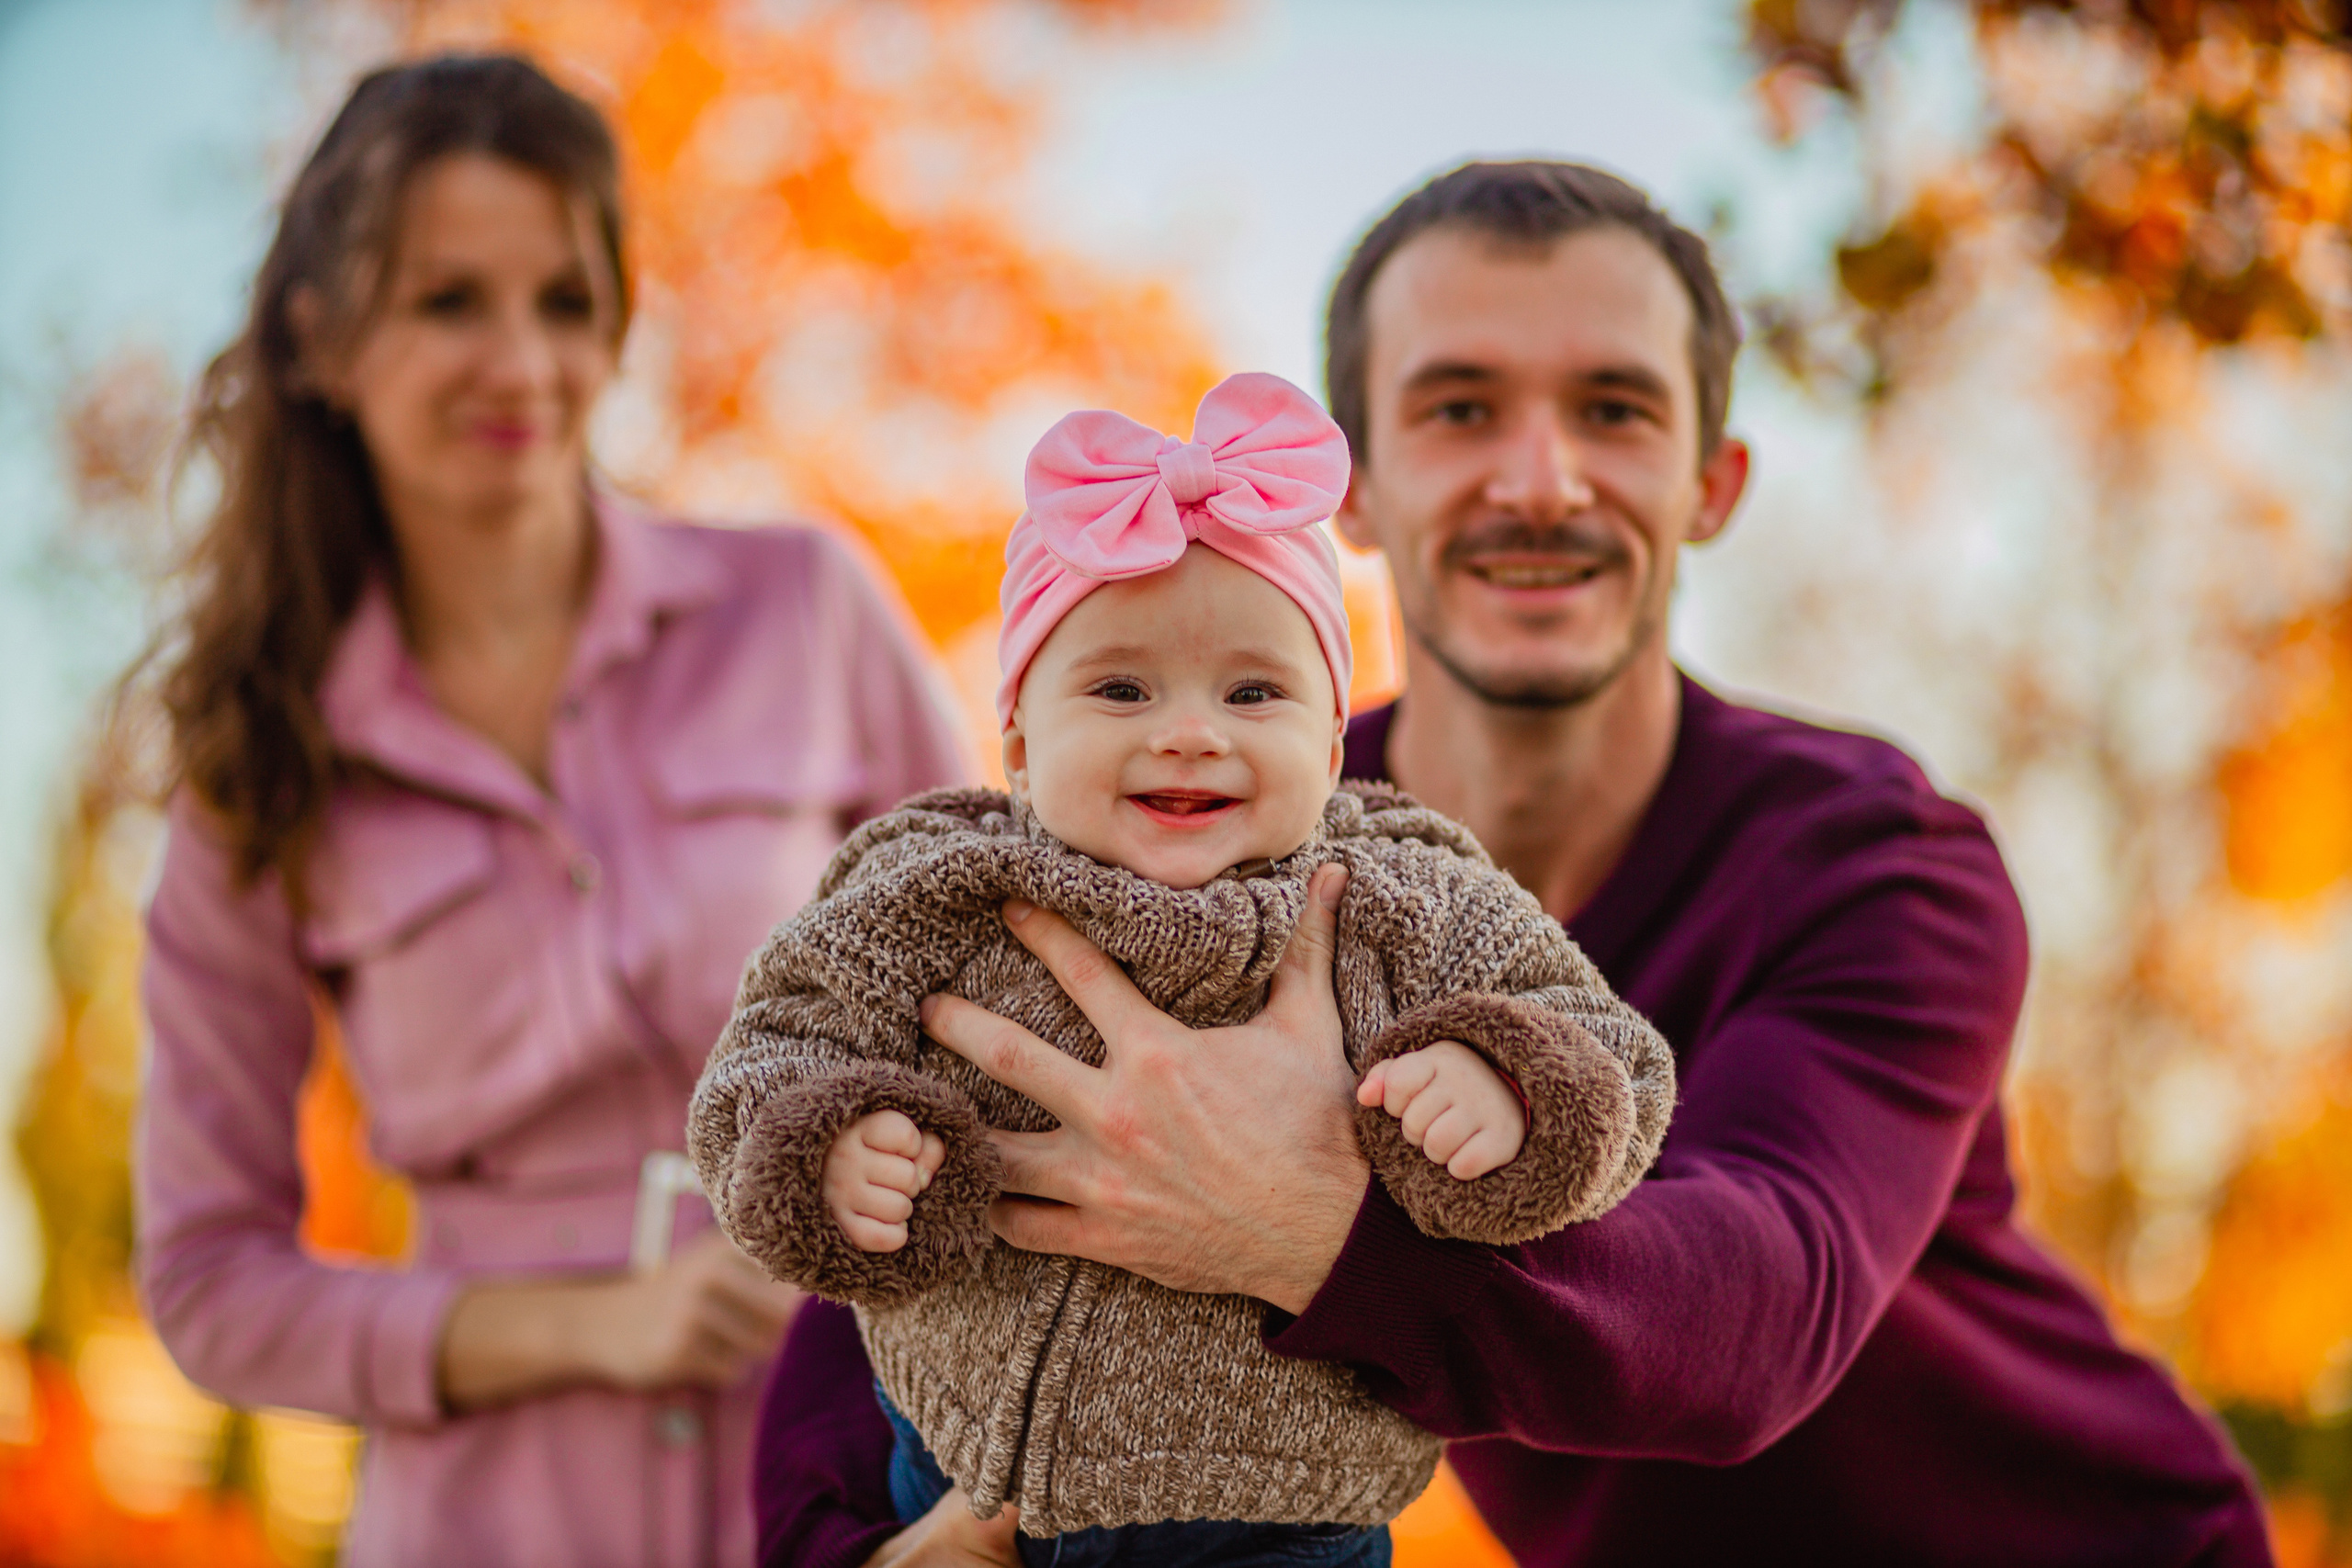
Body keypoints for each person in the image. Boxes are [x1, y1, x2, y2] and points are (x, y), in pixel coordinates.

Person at [753, 163, 2274, 1568]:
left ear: (1713, 483)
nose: (1538, 479)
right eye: (1459, 409)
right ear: (1348, 492)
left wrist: (1298, 1218)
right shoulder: (1178, 835)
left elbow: (1753, 1317)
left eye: (1614, 410)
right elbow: (872, 1258)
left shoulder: (1884, 869)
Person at [131, 54, 966, 1567]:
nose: (521, 363)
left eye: (566, 304)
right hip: (491, 1522)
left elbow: (1012, 976)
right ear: (321, 339)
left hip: (861, 1480)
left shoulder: (805, 609)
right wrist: (585, 1327)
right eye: (450, 301)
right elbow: (209, 1281)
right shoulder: (258, 762)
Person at [689, 373, 1675, 1568]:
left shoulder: (1405, 892)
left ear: (1327, 740)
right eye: (1120, 688)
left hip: (1281, 1525)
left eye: (1253, 691)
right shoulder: (935, 880)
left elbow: (1611, 1052)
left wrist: (1504, 1082)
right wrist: (823, 1148)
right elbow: (777, 1040)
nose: (1192, 730)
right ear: (1018, 740)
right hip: (953, 1488)